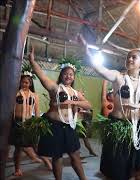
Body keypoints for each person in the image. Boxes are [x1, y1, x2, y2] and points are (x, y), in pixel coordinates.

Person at [80, 35, 140, 180]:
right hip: (118, 127)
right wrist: (88, 53)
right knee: (116, 173)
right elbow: (101, 70)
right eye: (128, 56)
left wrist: (138, 105)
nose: (129, 59)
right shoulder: (119, 77)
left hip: (138, 129)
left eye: (134, 57)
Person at [28, 46, 91, 180]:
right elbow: (42, 76)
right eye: (65, 73)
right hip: (54, 126)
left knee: (75, 155)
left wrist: (72, 102)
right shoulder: (55, 88)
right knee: (57, 156)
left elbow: (88, 104)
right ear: (61, 75)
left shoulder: (76, 93)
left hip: (69, 127)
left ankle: (84, 179)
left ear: (73, 77)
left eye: (71, 74)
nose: (68, 76)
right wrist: (32, 61)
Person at [9, 68, 51, 176]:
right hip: (17, 123)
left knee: (35, 145)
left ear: (31, 83)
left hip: (29, 123)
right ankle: (18, 169)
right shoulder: (16, 93)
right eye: (22, 82)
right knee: (18, 147)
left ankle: (45, 161)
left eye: (27, 82)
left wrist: (37, 124)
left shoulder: (34, 96)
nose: (24, 84)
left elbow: (36, 111)